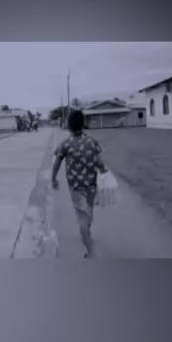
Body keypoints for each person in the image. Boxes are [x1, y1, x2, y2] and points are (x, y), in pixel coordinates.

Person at [51, 108, 107, 259]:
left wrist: (53, 179)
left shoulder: (66, 144)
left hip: (76, 188)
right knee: (88, 212)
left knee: (82, 218)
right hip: (92, 186)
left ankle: (91, 252)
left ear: (69, 125)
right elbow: (100, 163)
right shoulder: (92, 142)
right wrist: (105, 176)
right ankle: (87, 232)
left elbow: (56, 163)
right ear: (83, 124)